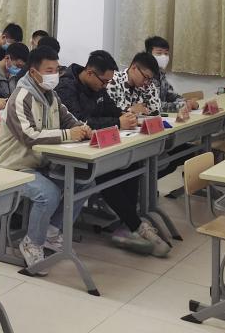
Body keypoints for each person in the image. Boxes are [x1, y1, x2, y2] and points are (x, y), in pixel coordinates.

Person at [56, 50, 171, 257]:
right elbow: (79, 121)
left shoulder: (98, 86)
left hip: (92, 146)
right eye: (104, 82)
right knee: (106, 172)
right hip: (69, 152)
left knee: (131, 165)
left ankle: (128, 225)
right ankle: (136, 225)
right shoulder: (66, 87)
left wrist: (124, 116)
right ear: (90, 73)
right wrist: (118, 122)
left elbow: (110, 108)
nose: (106, 86)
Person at [0, 46, 92, 274]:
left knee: (85, 181)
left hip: (42, 163)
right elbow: (29, 136)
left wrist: (83, 129)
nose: (54, 75)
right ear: (33, 72)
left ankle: (50, 232)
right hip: (15, 167)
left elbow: (69, 119)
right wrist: (69, 135)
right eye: (49, 70)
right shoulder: (20, 97)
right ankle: (31, 243)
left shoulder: (51, 96)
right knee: (48, 194)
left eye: (56, 70)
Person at [145, 36, 198, 113]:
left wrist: (187, 102)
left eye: (166, 53)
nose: (163, 56)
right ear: (149, 54)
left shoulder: (161, 74)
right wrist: (181, 106)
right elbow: (152, 106)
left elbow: (170, 95)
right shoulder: (144, 77)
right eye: (159, 53)